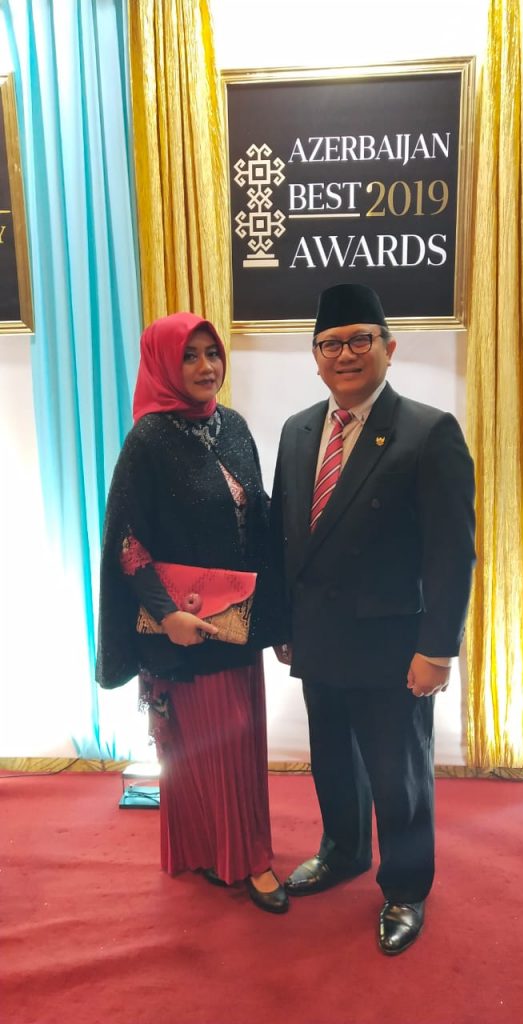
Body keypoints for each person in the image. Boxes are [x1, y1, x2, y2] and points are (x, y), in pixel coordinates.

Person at [270, 283, 475, 952]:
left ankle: (407, 888)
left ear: (389, 348)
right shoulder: (299, 430)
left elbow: (452, 552)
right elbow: (285, 536)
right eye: (330, 344)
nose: (346, 354)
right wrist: (283, 626)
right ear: (315, 358)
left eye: (361, 340)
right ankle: (345, 851)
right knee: (332, 760)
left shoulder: (428, 431)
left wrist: (437, 648)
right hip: (318, 638)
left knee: (398, 777)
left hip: (393, 647)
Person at [97, 312, 288, 914]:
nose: (207, 367)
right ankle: (247, 860)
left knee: (238, 743)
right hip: (185, 630)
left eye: (213, 353)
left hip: (237, 623)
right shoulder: (148, 440)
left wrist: (280, 618)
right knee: (212, 745)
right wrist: (166, 616)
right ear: (163, 365)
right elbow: (126, 540)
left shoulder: (233, 426)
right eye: (190, 356)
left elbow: (258, 516)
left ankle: (217, 847)